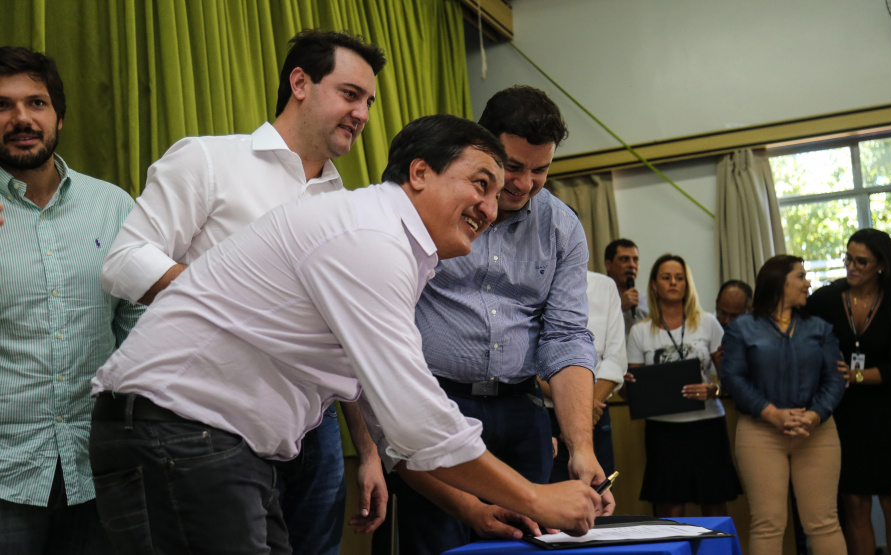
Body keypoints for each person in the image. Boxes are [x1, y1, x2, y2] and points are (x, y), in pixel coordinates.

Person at [88, 114, 602, 554]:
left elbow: (384, 412)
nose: (491, 209)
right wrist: (534, 498)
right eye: (481, 184)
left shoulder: (388, 240)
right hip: (180, 433)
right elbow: (414, 412)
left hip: (209, 441)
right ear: (420, 173)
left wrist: (474, 508)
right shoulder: (372, 239)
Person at [99, 29, 387, 554]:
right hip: (202, 422)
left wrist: (368, 451)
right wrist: (231, 301)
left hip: (307, 427)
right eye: (350, 94)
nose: (362, 113)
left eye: (368, 101)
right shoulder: (209, 160)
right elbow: (124, 263)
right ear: (299, 82)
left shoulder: (347, 208)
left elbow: (346, 338)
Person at [376, 86, 613, 555]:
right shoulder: (432, 207)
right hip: (438, 400)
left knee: (526, 542)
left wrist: (579, 447)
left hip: (520, 409)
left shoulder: (561, 227)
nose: (524, 183)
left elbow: (565, 338)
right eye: (514, 167)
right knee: (438, 544)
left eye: (540, 169)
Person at [0, 46, 144, 553]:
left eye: (36, 103)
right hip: (6, 476)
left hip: (98, 469)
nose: (21, 118)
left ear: (58, 115)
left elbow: (138, 323)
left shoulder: (113, 205)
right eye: (3, 105)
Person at [720, 255, 847, 554]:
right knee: (768, 522)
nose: (808, 283)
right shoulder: (741, 328)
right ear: (780, 282)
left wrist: (815, 415)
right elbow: (733, 378)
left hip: (816, 432)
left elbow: (836, 379)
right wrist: (772, 413)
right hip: (760, 432)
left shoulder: (820, 328)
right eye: (801, 277)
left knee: (824, 523)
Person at [806, 229, 891, 555]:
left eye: (861, 261)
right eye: (848, 258)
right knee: (854, 503)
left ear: (881, 265)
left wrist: (856, 376)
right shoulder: (825, 300)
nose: (851, 266)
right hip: (845, 414)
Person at [625, 254, 742, 518]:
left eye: (679, 278)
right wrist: (627, 384)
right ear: (654, 285)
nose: (673, 283)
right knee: (671, 509)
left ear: (687, 285)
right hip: (663, 429)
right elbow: (631, 390)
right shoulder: (640, 331)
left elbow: (730, 379)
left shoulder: (708, 322)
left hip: (707, 424)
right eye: (666, 278)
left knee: (714, 506)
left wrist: (715, 390)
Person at [544, 271, 626, 484]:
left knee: (598, 500)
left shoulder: (605, 286)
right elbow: (526, 362)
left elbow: (614, 359)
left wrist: (581, 412)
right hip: (546, 415)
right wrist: (574, 410)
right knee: (552, 505)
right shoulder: (529, 283)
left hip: (595, 413)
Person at [605, 238, 649, 334]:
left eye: (635, 260)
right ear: (608, 264)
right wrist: (619, 307)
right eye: (624, 259)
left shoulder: (647, 301)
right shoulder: (597, 297)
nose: (632, 265)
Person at [711, 279, 753, 369]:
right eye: (722, 313)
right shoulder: (705, 326)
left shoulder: (757, 336)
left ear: (749, 310)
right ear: (716, 303)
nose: (727, 321)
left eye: (734, 316)